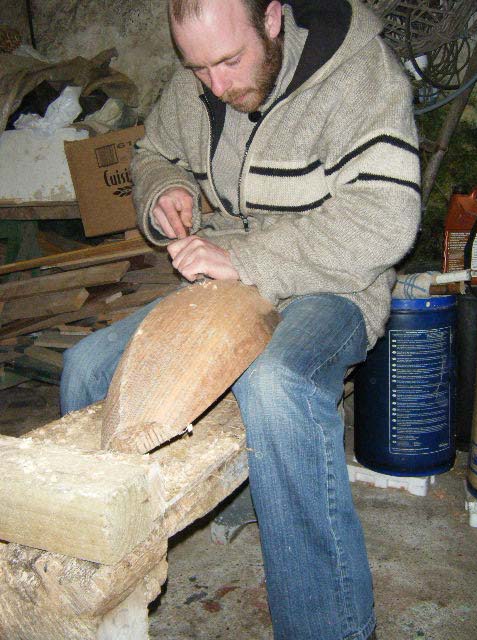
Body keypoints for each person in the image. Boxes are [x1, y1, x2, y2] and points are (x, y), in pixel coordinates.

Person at [61, 0, 421, 637]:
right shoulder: (197, 81)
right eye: (199, 68)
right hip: (225, 284)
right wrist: (163, 193)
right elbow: (153, 154)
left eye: (229, 61)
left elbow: (382, 223)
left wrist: (244, 257)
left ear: (273, 18)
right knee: (86, 367)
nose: (217, 84)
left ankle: (330, 627)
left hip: (330, 283)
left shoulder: (361, 75)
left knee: (277, 383)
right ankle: (98, 609)